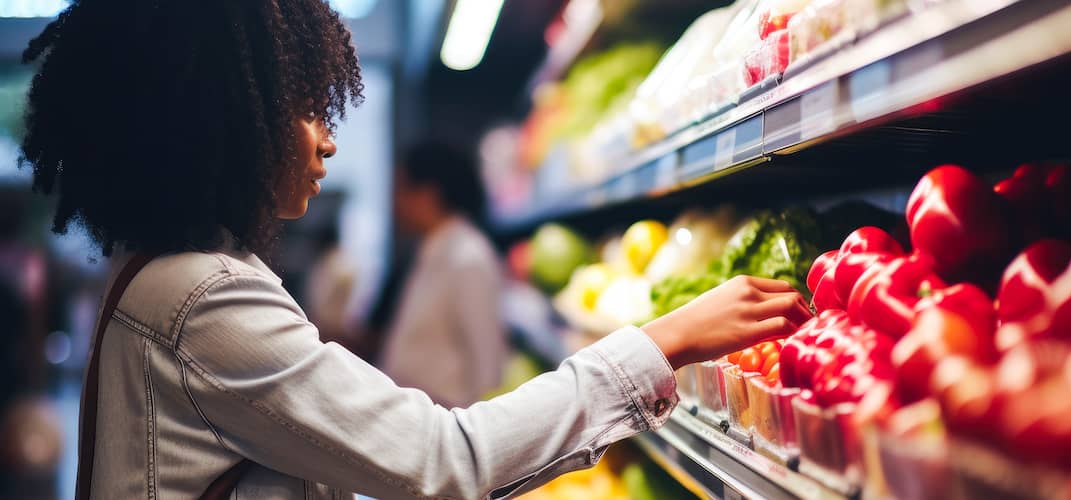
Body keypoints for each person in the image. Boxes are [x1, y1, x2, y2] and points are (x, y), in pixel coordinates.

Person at [18, 1, 812, 498]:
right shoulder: (201, 296)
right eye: (302, 107)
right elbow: (442, 460)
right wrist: (662, 339)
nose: (328, 139)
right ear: (222, 120)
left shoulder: (160, 278)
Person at [378, 141, 506, 408]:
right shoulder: (433, 250)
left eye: (401, 189)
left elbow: (489, 374)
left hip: (445, 435)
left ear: (428, 194)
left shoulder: (468, 257)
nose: (394, 201)